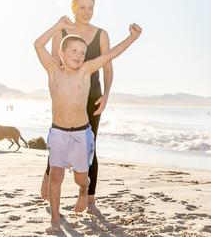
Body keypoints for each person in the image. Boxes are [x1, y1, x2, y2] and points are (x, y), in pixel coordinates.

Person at [34, 16, 141, 233]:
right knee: (56, 175)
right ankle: (55, 217)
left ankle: (84, 191)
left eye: (82, 53)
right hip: (58, 132)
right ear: (61, 53)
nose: (79, 56)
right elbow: (37, 44)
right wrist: (58, 26)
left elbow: (111, 54)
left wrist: (132, 37)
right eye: (73, 51)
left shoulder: (86, 71)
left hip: (81, 134)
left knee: (81, 177)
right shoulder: (53, 69)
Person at [39, 0, 113, 215]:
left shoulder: (101, 34)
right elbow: (52, 63)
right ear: (73, 8)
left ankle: (89, 198)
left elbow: (108, 67)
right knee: (59, 138)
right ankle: (49, 175)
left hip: (93, 96)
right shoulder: (61, 32)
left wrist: (107, 94)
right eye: (82, 7)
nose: (87, 12)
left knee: (91, 145)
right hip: (68, 96)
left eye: (91, 8)